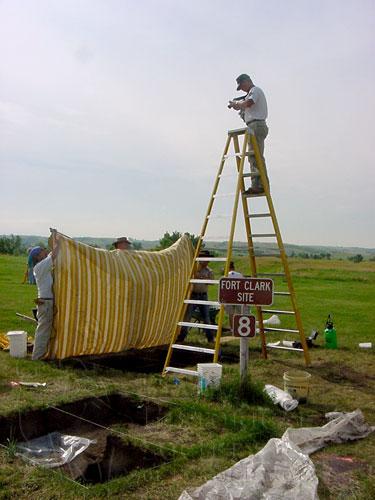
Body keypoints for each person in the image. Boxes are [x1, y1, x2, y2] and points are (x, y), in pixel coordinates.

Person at [229, 74, 269, 195]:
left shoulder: (255, 91)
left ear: (246, 82)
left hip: (256, 125)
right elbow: (246, 105)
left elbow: (249, 103)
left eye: (242, 86)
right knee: (253, 157)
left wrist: (238, 104)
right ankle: (257, 185)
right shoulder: (251, 93)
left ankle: (260, 185)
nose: (242, 89)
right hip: (253, 126)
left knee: (255, 156)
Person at [30, 236, 60, 361]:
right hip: (46, 302)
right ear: (38, 256)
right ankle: (37, 357)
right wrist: (58, 243)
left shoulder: (41, 265)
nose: (44, 251)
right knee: (43, 330)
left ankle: (40, 354)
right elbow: (54, 255)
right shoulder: (41, 266)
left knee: (44, 329)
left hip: (46, 301)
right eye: (42, 251)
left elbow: (50, 254)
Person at [177, 250, 215, 343]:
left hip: (203, 296)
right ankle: (181, 338)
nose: (207, 262)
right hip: (193, 295)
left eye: (208, 260)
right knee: (187, 318)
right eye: (206, 260)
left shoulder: (209, 271)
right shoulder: (193, 269)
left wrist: (201, 277)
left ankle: (210, 339)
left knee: (206, 318)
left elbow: (212, 282)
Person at [224, 262, 251, 332]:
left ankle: (232, 328)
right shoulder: (239, 275)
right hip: (238, 296)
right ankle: (241, 327)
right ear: (234, 268)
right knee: (240, 313)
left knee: (231, 314)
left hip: (229, 297)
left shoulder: (226, 275)